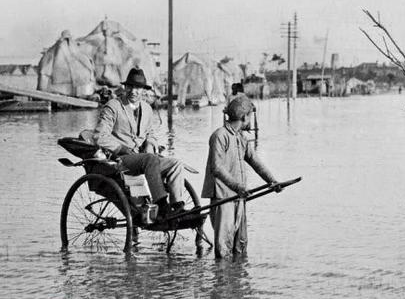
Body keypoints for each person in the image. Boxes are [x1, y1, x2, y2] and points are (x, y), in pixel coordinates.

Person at [93, 68, 184, 219]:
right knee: (150, 159)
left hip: (144, 159)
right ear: (125, 87)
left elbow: (150, 134)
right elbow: (99, 136)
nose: (134, 91)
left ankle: (177, 207)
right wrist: (122, 148)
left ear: (143, 90)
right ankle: (161, 205)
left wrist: (150, 143)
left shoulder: (147, 109)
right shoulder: (113, 106)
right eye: (130, 87)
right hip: (121, 159)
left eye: (138, 88)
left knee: (176, 164)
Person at [202, 94, 278, 258]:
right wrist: (238, 186)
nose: (250, 120)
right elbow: (217, 168)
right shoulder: (220, 136)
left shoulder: (240, 137)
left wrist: (272, 181)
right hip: (223, 197)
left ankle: (238, 280)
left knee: (240, 245)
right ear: (244, 117)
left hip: (239, 197)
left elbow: (255, 161)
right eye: (250, 116)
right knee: (223, 249)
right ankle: (221, 280)